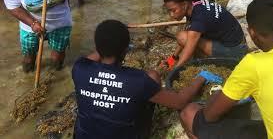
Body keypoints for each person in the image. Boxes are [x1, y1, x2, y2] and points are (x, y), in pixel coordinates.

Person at [179, 0, 273, 139]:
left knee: (189, 113)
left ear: (252, 33)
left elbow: (210, 116)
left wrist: (215, 96)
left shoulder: (253, 64)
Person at [71, 20, 221, 139]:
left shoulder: (79, 68)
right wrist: (201, 78)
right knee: (153, 77)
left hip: (83, 135)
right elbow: (180, 101)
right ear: (125, 51)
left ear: (98, 46)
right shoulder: (137, 81)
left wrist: (110, 39)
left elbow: (99, 52)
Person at [2, 0, 81, 72]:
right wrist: (32, 23)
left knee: (57, 59)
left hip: (60, 22)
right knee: (28, 60)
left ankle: (54, 78)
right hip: (29, 25)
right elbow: (13, 7)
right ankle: (28, 76)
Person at [163, 0, 247, 70]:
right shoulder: (195, 3)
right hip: (235, 41)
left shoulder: (198, 18)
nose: (171, 15)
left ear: (184, 5)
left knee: (183, 38)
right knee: (185, 36)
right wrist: (173, 58)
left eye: (173, 10)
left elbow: (188, 48)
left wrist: (174, 71)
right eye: (169, 11)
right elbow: (188, 32)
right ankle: (203, 58)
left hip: (236, 52)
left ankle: (205, 62)